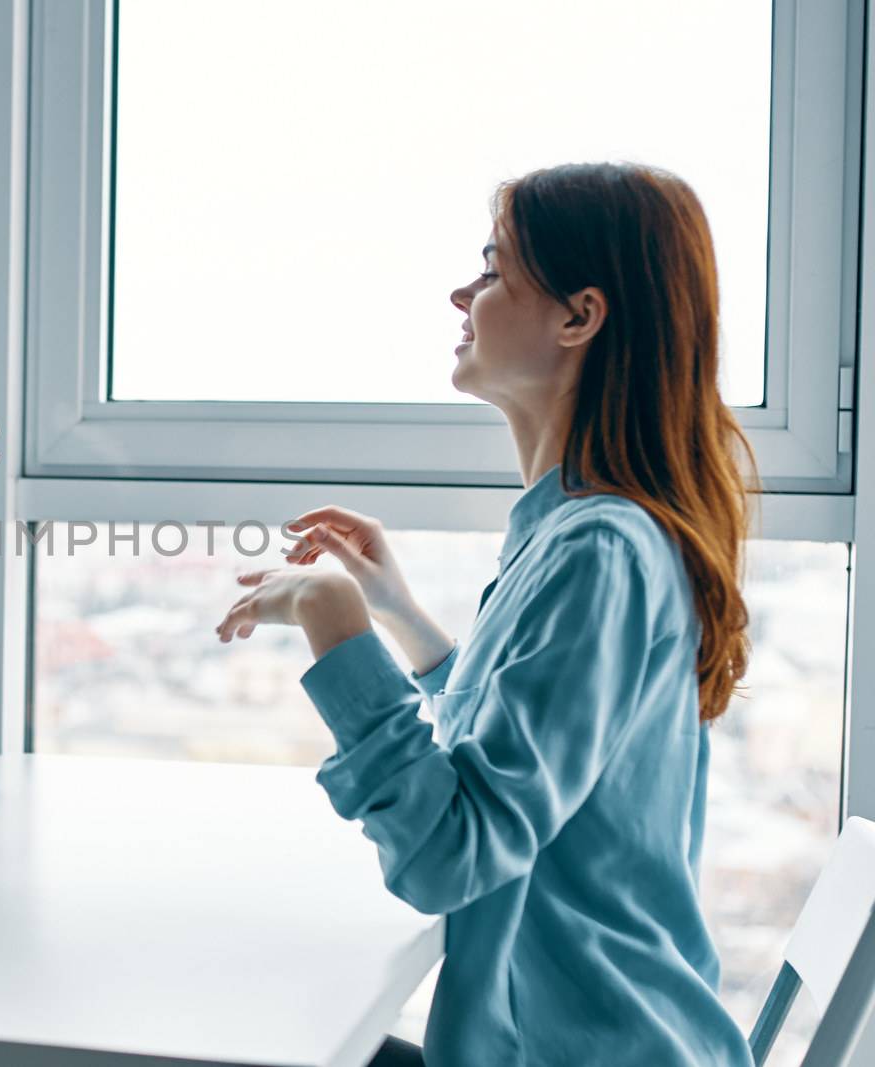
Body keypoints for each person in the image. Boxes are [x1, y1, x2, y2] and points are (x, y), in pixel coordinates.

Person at [215, 162, 755, 1066]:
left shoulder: (598, 551)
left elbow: (451, 856)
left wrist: (333, 615)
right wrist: (403, 619)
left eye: (494, 269)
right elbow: (528, 758)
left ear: (580, 317)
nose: (463, 292)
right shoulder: (580, 534)